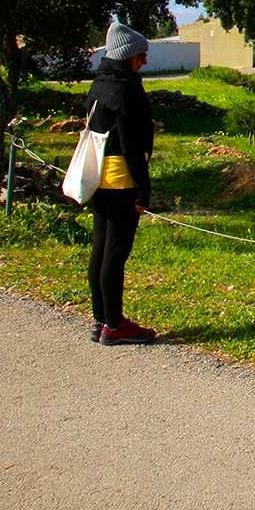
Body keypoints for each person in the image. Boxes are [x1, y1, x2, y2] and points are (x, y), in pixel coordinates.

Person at [84, 21, 157, 345]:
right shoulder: (125, 89)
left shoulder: (101, 83)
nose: (144, 61)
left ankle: (101, 319)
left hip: (100, 176)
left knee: (100, 249)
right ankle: (115, 325)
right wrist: (143, 190)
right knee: (115, 253)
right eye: (141, 55)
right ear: (128, 55)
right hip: (120, 179)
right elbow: (130, 145)